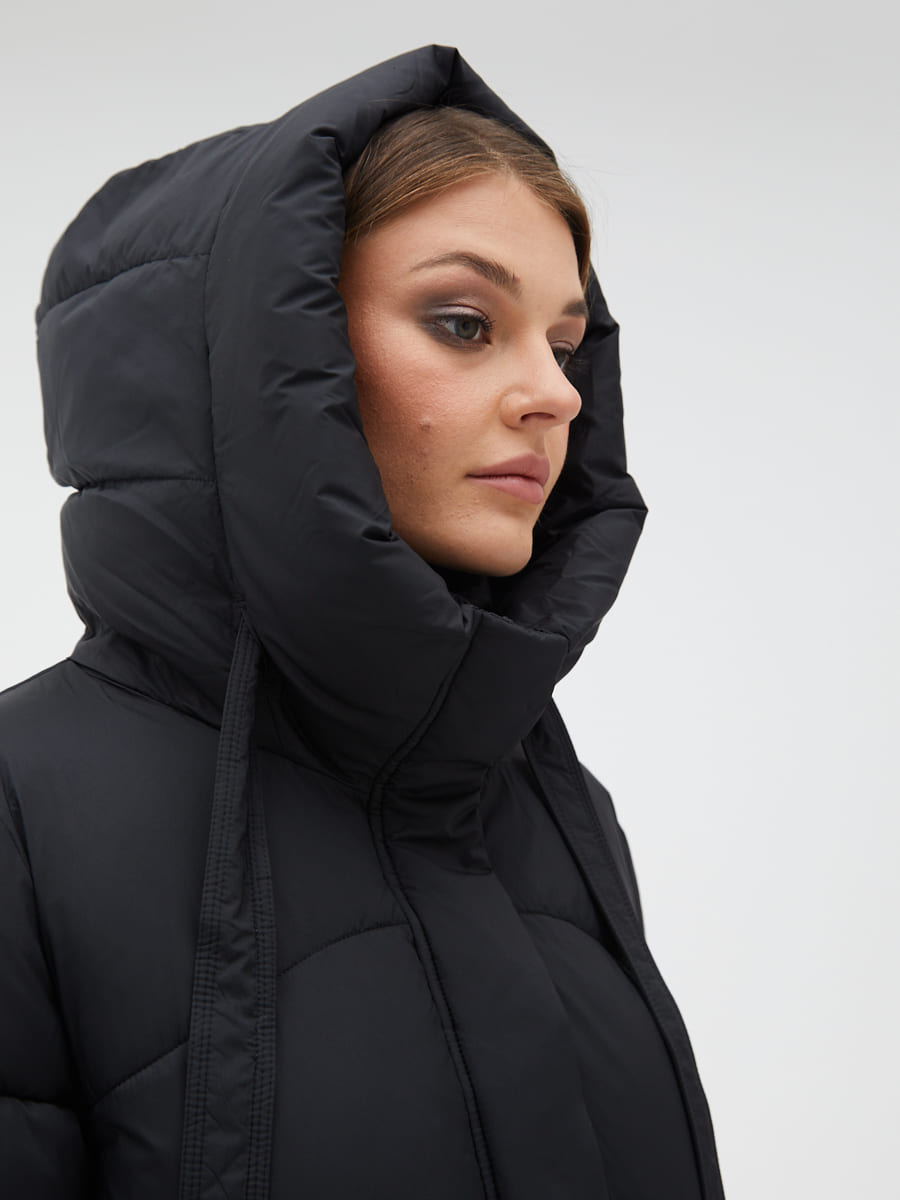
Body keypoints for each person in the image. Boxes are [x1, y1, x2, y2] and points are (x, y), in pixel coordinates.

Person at [0, 45, 725, 1200]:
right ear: (257, 364)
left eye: (564, 341)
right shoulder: (21, 810)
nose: (558, 393)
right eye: (465, 321)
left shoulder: (557, 802)